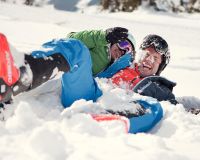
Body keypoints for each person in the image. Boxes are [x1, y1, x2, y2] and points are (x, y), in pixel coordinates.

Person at [0, 27, 136, 108]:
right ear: (113, 40)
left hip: (91, 93)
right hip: (69, 79)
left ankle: (24, 73)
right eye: (122, 43)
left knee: (78, 50)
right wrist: (102, 36)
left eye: (128, 50)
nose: (122, 50)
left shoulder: (124, 68)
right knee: (72, 46)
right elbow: (72, 38)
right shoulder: (99, 45)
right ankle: (12, 84)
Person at [97, 34, 177, 104]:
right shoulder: (123, 70)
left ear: (160, 66)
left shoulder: (157, 86)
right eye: (146, 54)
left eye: (155, 58)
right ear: (139, 55)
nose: (149, 60)